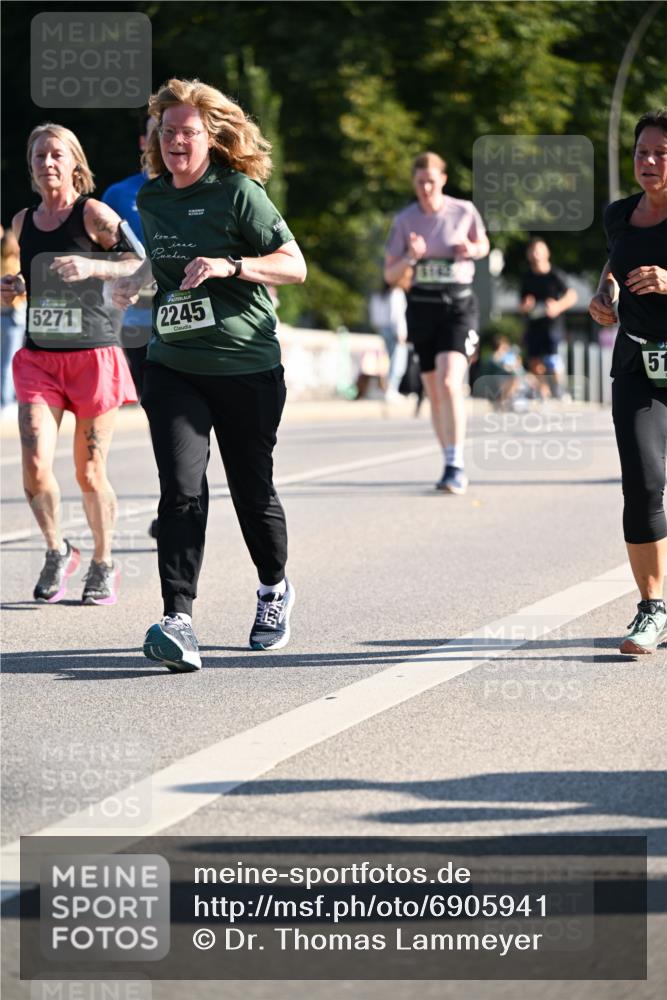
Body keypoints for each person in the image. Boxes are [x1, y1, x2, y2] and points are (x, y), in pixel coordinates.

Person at [113, 78, 307, 672]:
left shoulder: (239, 193)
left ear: (211, 136)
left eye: (187, 132)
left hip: (246, 364)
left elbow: (294, 266)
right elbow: (167, 266)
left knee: (252, 493)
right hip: (174, 364)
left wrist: (232, 264)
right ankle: (178, 618)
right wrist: (136, 281)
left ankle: (274, 588)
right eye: (166, 132)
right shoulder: (150, 200)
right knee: (180, 489)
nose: (175, 141)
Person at [0, 123, 140, 604]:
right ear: (31, 165)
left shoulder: (93, 214)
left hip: (92, 355)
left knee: (88, 472)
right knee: (36, 464)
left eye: (56, 154)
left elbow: (139, 261)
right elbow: (29, 275)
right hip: (40, 357)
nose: (47, 163)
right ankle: (58, 549)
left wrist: (94, 266)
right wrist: (17, 287)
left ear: (75, 164)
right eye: (39, 155)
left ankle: (103, 561)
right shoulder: (22, 221)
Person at [588, 109, 667, 655]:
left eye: (661, 153)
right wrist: (604, 299)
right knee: (642, 483)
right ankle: (652, 608)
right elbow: (612, 268)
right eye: (642, 151)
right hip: (638, 363)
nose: (649, 161)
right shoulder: (619, 215)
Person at [384, 151, 489, 495]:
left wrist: (471, 249)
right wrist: (412, 256)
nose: (426, 187)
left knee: (448, 380)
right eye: (419, 182)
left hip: (458, 305)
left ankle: (456, 464)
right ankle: (448, 458)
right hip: (421, 307)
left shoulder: (464, 211)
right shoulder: (405, 221)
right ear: (413, 184)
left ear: (443, 179)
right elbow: (391, 274)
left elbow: (484, 245)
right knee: (433, 391)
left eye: (431, 180)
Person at [101, 116, 156, 395]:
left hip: (188, 312)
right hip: (138, 315)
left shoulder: (196, 191)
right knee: (156, 405)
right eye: (157, 132)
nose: (165, 139)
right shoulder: (118, 194)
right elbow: (100, 251)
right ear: (143, 142)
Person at [519, 238, 577, 399]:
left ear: (547, 253)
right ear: (528, 255)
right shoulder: (527, 277)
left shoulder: (555, 274)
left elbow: (572, 296)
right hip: (534, 324)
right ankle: (544, 393)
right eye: (532, 251)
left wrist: (558, 306)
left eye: (539, 250)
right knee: (534, 362)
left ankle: (560, 390)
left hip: (553, 325)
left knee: (552, 360)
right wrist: (526, 305)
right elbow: (522, 303)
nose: (535, 254)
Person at [368, 279, 408, 402]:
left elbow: (374, 315)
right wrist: (400, 332)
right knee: (397, 362)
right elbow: (397, 315)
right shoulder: (397, 292)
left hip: (383, 329)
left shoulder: (379, 294)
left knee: (388, 361)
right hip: (395, 331)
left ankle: (386, 389)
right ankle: (391, 389)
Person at [1, 226, 26, 414]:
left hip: (6, 314)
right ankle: (6, 400)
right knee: (10, 360)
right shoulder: (12, 263)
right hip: (13, 314)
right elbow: (19, 289)